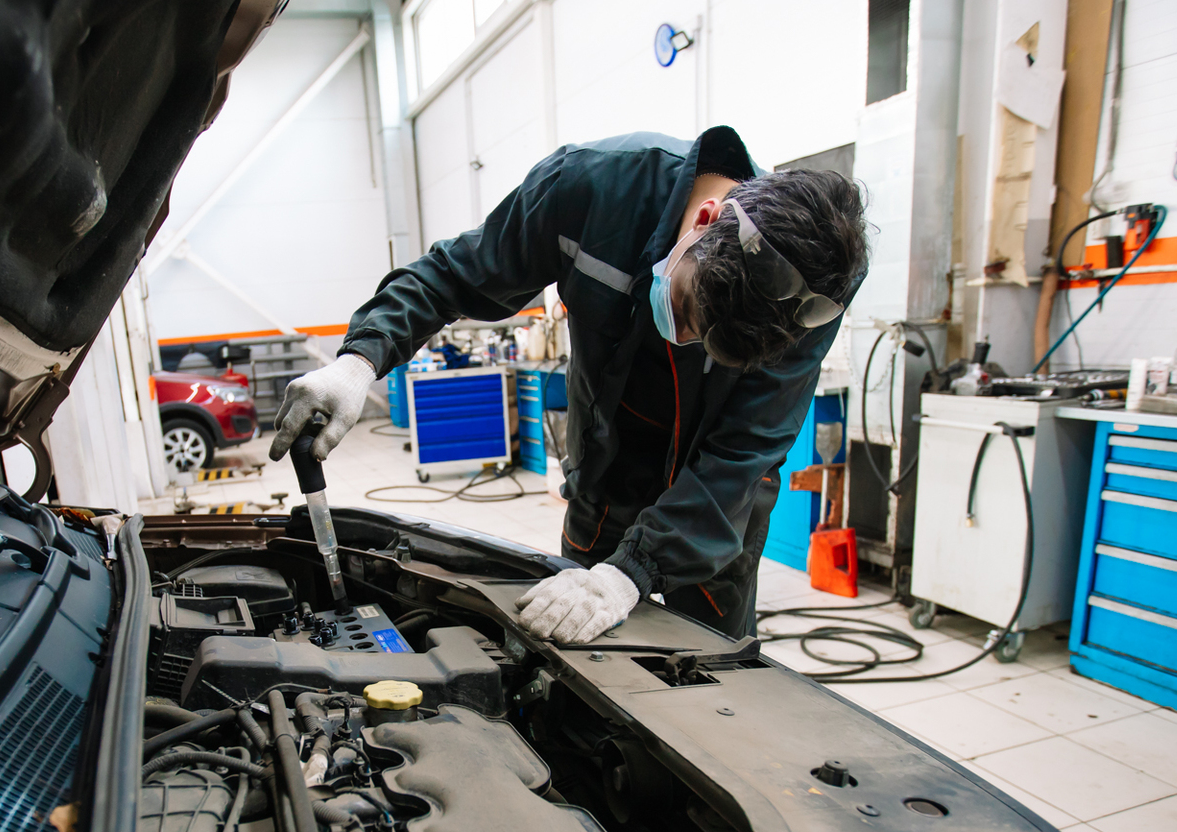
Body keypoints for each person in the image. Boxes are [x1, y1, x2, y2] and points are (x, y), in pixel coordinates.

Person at [269, 127, 868, 643]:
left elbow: (745, 450)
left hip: (714, 508)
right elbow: (453, 275)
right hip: (605, 477)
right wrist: (359, 361)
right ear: (705, 221)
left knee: (711, 677)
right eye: (691, 312)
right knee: (572, 653)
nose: (686, 340)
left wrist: (629, 575)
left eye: (713, 350)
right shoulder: (593, 189)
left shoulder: (811, 296)